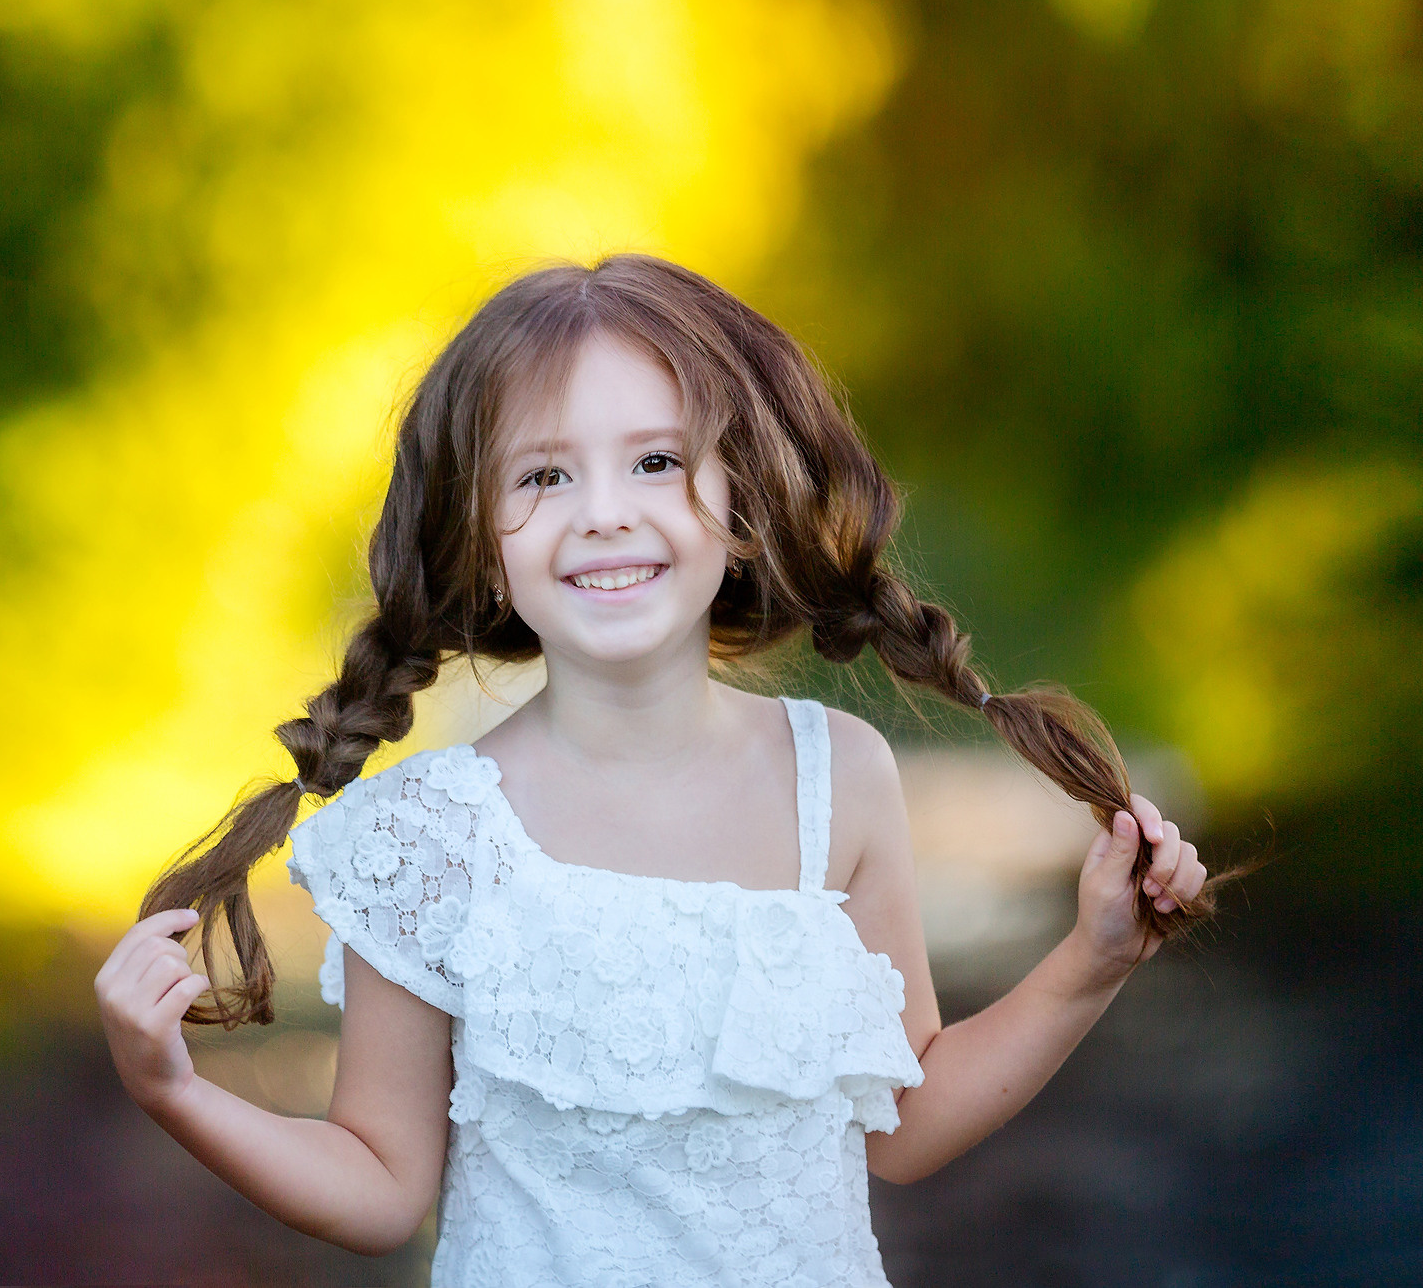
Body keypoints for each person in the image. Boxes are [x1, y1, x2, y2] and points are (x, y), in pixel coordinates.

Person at [93, 255, 1222, 1285]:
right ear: (480, 541)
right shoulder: (424, 833)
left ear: (740, 502)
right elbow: (380, 1186)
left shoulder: (838, 777)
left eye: (655, 462)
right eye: (542, 476)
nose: (603, 513)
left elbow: (905, 1121)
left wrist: (1092, 959)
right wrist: (172, 1092)